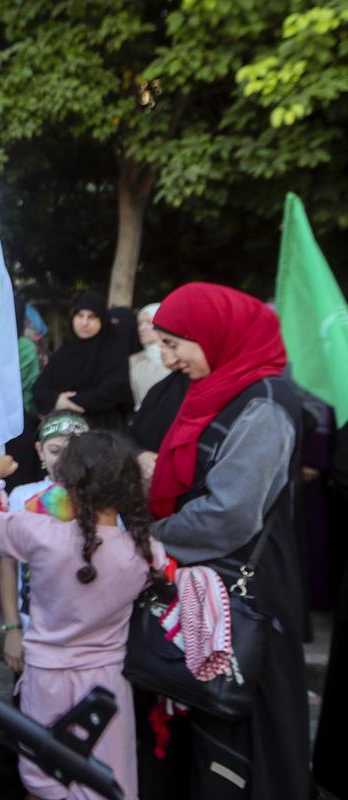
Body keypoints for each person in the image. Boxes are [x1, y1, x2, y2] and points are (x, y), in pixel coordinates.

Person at [139, 282, 309, 799]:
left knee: (242, 731)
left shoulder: (265, 402)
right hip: (208, 583)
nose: (167, 358)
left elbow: (230, 515)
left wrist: (150, 535)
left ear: (213, 334)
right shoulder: (224, 385)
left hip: (246, 591)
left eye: (174, 344)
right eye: (162, 344)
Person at [0, 433, 163, 800]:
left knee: (45, 783)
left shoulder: (39, 534)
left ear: (69, 481)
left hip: (46, 681)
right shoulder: (147, 551)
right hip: (107, 684)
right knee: (103, 785)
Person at [0, 410, 89, 800]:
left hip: (83, 645)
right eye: (56, 449)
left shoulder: (103, 504)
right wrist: (12, 629)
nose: (64, 458)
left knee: (72, 740)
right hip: (33, 638)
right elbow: (7, 565)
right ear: (41, 452)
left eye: (74, 450)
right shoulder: (26, 497)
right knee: (20, 736)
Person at [32, 291, 133, 430]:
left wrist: (67, 402)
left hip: (104, 428)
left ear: (102, 320)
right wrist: (57, 400)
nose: (84, 323)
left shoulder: (114, 352)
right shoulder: (63, 353)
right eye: (80, 316)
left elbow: (113, 390)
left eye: (91, 317)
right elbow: (39, 390)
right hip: (64, 427)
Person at [129, 303, 171, 410]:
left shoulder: (177, 359)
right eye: (140, 323)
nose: (142, 328)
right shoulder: (136, 359)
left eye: (149, 322)